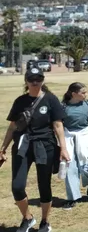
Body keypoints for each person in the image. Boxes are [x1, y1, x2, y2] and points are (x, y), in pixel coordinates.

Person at [1, 67, 69, 232]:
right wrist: (3, 148)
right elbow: (12, 127)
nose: (35, 82)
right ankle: (28, 218)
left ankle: (45, 221)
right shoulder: (20, 101)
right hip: (22, 146)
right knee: (17, 186)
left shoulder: (51, 99)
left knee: (44, 185)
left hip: (45, 146)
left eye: (38, 79)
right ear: (26, 81)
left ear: (42, 80)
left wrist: (63, 148)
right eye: (31, 79)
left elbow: (58, 125)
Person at [61, 82, 88, 209]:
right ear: (74, 94)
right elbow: (58, 125)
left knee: (84, 162)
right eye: (83, 92)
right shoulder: (63, 106)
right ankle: (72, 197)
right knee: (69, 165)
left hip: (83, 135)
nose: (86, 94)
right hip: (68, 136)